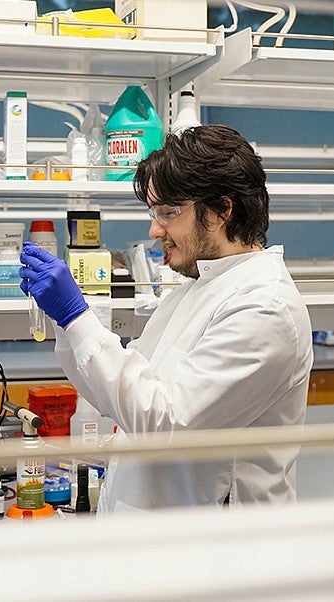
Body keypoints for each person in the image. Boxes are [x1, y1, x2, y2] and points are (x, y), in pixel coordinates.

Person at [19, 124, 312, 512]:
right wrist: (63, 319)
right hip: (159, 540)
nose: (155, 229)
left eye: (168, 212)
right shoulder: (196, 287)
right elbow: (120, 396)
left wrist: (78, 317)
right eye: (153, 212)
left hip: (213, 554)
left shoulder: (265, 308)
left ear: (223, 209)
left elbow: (168, 425)